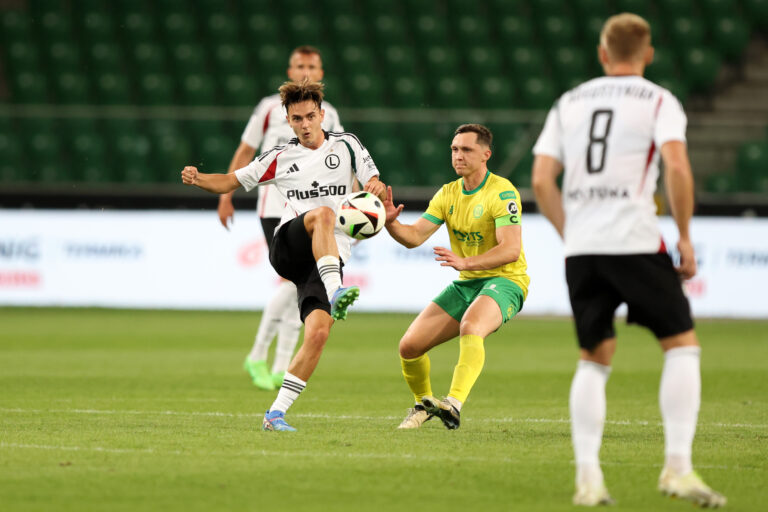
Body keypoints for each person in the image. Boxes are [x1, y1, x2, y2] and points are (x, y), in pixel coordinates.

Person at [531, 13, 726, 508]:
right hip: (635, 240)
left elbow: (540, 179)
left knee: (593, 357)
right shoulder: (659, 99)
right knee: (681, 345)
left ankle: (588, 480)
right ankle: (677, 469)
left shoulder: (569, 102)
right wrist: (683, 235)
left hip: (584, 249)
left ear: (602, 53)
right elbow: (676, 166)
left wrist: (570, 233)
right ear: (649, 54)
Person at [182, 79, 386, 432]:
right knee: (322, 213)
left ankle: (275, 414)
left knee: (318, 334)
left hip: (327, 256)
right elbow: (229, 181)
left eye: (310, 116)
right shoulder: (279, 157)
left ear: (322, 115)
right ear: (288, 120)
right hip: (289, 245)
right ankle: (337, 290)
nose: (305, 125)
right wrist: (199, 179)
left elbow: (376, 185)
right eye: (297, 119)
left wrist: (376, 190)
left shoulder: (348, 145)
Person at [383, 124, 529, 430]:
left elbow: (511, 250)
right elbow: (414, 237)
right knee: (409, 346)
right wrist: (389, 222)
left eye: (466, 150)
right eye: (454, 149)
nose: (458, 156)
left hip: (505, 280)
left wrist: (466, 262)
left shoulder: (501, 191)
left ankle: (454, 403)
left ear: (486, 154)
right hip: (468, 283)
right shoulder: (448, 193)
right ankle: (424, 404)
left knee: (471, 325)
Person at [218, 45, 344, 392]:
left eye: (312, 66)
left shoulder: (329, 114)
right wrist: (226, 194)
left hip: (313, 208)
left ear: (321, 73)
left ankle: (275, 364)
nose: (305, 71)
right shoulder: (268, 109)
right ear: (289, 71)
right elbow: (246, 152)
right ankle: (262, 357)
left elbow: (343, 160)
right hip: (275, 206)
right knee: (295, 282)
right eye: (299, 65)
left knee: (300, 286)